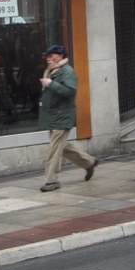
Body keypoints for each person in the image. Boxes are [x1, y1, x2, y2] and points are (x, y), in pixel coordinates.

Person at [38, 45, 96, 192]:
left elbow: (70, 91)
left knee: (54, 149)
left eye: (52, 56)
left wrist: (51, 84)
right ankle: (89, 163)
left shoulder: (67, 71)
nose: (49, 59)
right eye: (47, 56)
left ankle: (51, 181)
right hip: (54, 116)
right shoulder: (53, 71)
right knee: (61, 146)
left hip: (61, 116)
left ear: (61, 56)